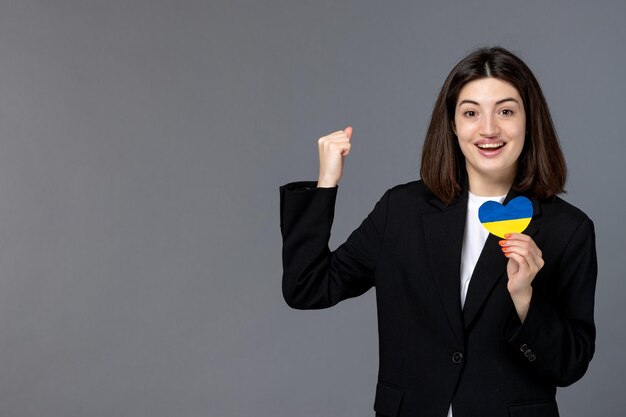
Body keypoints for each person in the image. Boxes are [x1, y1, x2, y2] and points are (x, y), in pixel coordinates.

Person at [279, 47, 596, 417]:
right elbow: (307, 287)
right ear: (452, 124)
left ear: (529, 121)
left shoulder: (568, 229)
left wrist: (525, 298)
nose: (489, 129)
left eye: (506, 111)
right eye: (471, 113)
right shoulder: (401, 210)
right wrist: (325, 184)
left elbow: (570, 365)